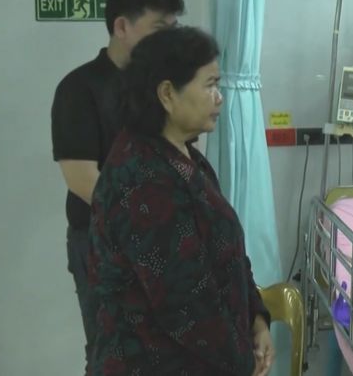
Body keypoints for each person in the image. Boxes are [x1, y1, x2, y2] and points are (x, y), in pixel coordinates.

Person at [87, 26, 274, 375]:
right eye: (210, 85)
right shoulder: (142, 179)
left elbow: (229, 254)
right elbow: (184, 302)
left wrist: (257, 320)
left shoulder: (186, 159)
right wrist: (242, 361)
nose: (219, 98)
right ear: (167, 94)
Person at [50, 0, 184, 366]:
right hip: (102, 241)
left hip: (161, 236)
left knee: (161, 350)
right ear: (122, 27)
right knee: (111, 352)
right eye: (159, 29)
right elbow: (80, 177)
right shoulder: (79, 88)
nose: (169, 40)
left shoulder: (161, 90)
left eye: (173, 29)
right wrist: (141, 219)